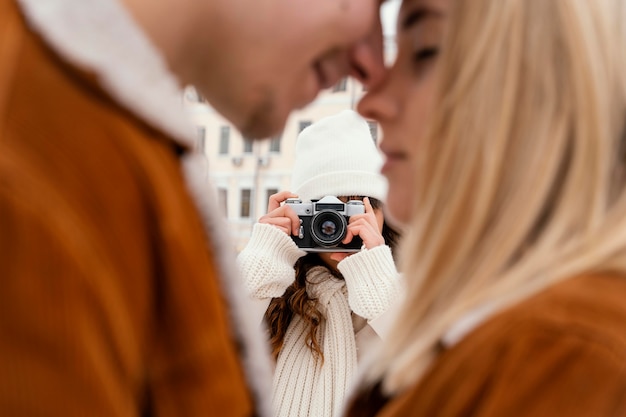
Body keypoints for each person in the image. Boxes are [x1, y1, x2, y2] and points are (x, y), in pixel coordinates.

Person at [0, 0, 387, 415]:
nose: (371, 63)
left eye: (354, 208)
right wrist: (267, 254)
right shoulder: (34, 134)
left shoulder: (147, 161)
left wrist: (375, 273)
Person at [344, 0, 626, 416]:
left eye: (427, 50)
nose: (371, 103)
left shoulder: (564, 353)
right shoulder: (501, 334)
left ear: (546, 83)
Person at [237, 110, 401, 417]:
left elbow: (439, 370)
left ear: (382, 214)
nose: (338, 227)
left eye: (354, 208)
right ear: (302, 214)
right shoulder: (272, 294)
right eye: (326, 213)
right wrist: (261, 259)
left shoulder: (412, 291)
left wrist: (380, 284)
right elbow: (208, 351)